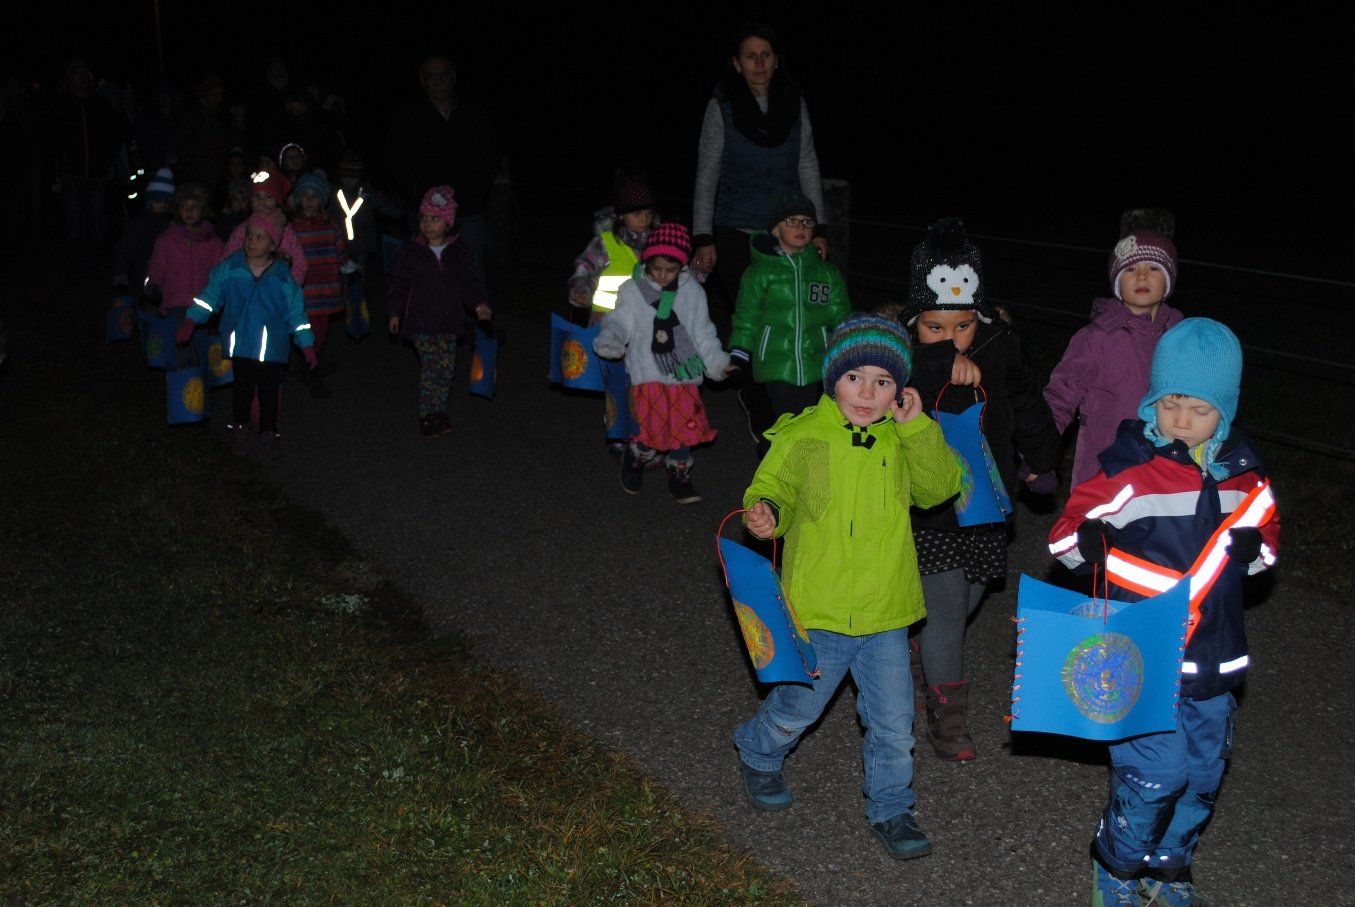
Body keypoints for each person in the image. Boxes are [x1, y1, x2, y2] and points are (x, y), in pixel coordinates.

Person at [1048, 319, 1279, 905]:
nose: (1180, 420)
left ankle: (1169, 865)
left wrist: (1256, 551)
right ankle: (1118, 865)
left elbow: (1268, 543)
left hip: (1213, 656)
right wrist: (1086, 541)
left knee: (1203, 774)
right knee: (1158, 774)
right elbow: (1065, 531)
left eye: (1198, 409)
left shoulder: (1246, 479)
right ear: (1152, 399)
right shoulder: (1130, 471)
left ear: (1224, 412)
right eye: (1169, 403)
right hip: (1142, 652)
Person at [735, 313, 961, 860]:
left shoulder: (902, 438)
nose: (866, 392)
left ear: (898, 391)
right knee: (798, 708)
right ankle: (758, 750)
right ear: (832, 377)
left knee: (894, 725)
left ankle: (893, 808)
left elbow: (939, 489)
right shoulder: (804, 435)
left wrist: (918, 428)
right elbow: (773, 486)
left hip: (886, 612)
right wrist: (766, 513)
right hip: (821, 610)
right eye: (854, 377)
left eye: (882, 382)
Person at [898, 218, 1060, 761]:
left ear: (980, 316)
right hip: (930, 510)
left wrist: (1041, 460)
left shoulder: (1001, 347)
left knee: (971, 594)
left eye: (962, 326)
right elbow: (885, 382)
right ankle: (947, 719)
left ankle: (916, 646)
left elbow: (1029, 405)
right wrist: (940, 361)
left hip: (986, 504)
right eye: (934, 327)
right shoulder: (901, 355)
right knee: (947, 611)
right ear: (914, 321)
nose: (951, 337)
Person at [692, 23, 828, 322]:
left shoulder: (796, 104)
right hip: (735, 233)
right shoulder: (721, 108)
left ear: (776, 59)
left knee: (786, 316)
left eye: (766, 54)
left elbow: (807, 165)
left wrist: (819, 229)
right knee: (749, 318)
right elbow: (707, 175)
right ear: (736, 63)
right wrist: (703, 238)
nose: (759, 63)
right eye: (750, 56)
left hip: (789, 233)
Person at [593, 223, 733, 503]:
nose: (662, 275)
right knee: (650, 429)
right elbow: (619, 321)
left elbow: (703, 333)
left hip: (684, 374)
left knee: (684, 428)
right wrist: (611, 339)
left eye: (670, 270)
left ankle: (679, 473)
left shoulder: (692, 292)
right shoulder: (633, 290)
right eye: (656, 268)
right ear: (647, 262)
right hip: (648, 373)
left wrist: (718, 363)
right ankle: (638, 454)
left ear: (682, 266)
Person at [1044, 231, 1184, 489]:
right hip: (1102, 471)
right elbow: (1060, 397)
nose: (1142, 276)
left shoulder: (1182, 339)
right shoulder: (1096, 338)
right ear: (1118, 285)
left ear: (1167, 284)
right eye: (1130, 269)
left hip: (1163, 471)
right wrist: (1038, 454)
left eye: (1153, 268)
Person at [176, 212, 316, 457]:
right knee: (242, 391)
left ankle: (268, 431)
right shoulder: (230, 269)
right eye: (249, 235)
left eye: (260, 237)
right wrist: (191, 320)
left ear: (272, 245)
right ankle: (240, 428)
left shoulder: (283, 278)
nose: (251, 241)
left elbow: (297, 315)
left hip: (272, 349)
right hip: (241, 345)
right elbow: (210, 297)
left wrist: (307, 345)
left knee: (269, 394)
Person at [728, 191, 850, 454]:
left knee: (806, 415)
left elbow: (840, 314)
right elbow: (747, 314)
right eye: (792, 221)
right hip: (775, 360)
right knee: (786, 416)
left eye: (807, 222)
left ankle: (788, 461)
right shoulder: (759, 273)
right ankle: (775, 458)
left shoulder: (825, 273)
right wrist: (740, 351)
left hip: (815, 359)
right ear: (775, 228)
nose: (800, 227)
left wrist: (851, 344)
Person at [385, 54, 499, 300]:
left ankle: (476, 322)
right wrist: (416, 192)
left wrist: (477, 192)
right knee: (426, 272)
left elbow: (490, 155)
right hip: (426, 212)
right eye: (432, 76)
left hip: (469, 210)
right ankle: (430, 322)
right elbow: (395, 159)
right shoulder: (409, 115)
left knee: (472, 271)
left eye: (444, 75)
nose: (438, 81)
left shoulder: (473, 112)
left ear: (453, 77)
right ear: (422, 79)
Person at [567, 169, 660, 456]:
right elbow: (583, 269)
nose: (644, 219)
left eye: (648, 213)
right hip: (608, 323)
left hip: (646, 325)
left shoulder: (658, 242)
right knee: (616, 379)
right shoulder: (606, 243)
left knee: (643, 378)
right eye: (637, 213)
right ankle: (617, 430)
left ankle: (642, 433)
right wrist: (580, 288)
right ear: (621, 215)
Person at [387, 186, 490, 438]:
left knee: (446, 370)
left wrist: (480, 305)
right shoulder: (412, 251)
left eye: (435, 219)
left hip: (449, 322)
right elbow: (399, 284)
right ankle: (427, 415)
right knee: (432, 368)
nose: (427, 224)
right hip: (421, 322)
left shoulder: (458, 253)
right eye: (424, 217)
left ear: (448, 222)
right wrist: (395, 312)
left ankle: (439, 412)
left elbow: (469, 283)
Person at [290, 171, 346, 396]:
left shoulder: (330, 225)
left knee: (320, 333)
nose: (309, 200)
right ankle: (312, 372)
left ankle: (310, 362)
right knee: (307, 333)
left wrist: (350, 270)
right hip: (304, 292)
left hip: (325, 290)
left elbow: (341, 251)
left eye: (314, 195)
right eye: (305, 195)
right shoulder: (293, 227)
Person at [144, 182, 223, 324]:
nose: (189, 211)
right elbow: (157, 267)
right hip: (173, 305)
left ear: (203, 209)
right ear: (177, 209)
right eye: (184, 206)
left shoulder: (213, 242)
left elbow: (219, 274)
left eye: (194, 207)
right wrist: (153, 285)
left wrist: (218, 304)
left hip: (202, 309)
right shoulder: (167, 239)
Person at [221, 168, 307, 285]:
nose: (262, 201)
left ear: (277, 202)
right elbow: (226, 260)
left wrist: (288, 289)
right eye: (257, 196)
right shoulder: (241, 231)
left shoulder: (286, 233)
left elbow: (299, 265)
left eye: (268, 197)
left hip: (276, 291)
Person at [113, 167, 175, 303]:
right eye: (158, 201)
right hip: (139, 268)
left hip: (163, 272)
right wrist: (121, 273)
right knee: (138, 301)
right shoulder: (138, 223)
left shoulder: (171, 224)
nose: (162, 205)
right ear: (150, 201)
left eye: (166, 201)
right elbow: (125, 248)